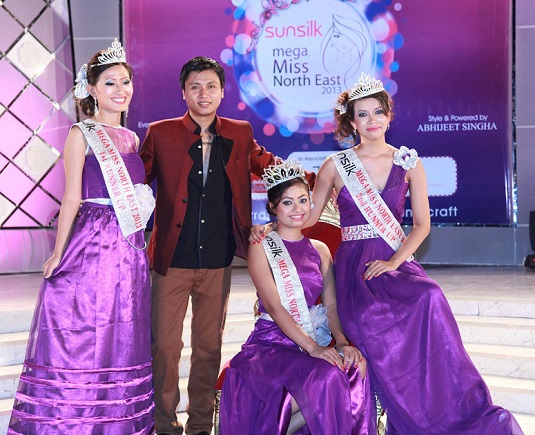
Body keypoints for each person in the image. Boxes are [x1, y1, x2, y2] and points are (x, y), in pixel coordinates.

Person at [251, 73, 524, 434]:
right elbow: (307, 216)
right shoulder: (335, 165)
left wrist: (394, 262)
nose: (372, 120)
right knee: (368, 318)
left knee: (430, 297)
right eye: (362, 114)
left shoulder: (408, 162)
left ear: (389, 115)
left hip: (394, 262)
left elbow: (422, 225)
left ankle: (444, 409)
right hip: (356, 270)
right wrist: (268, 227)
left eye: (378, 112)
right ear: (351, 122)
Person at [140, 56, 314, 435]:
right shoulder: (160, 133)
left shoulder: (239, 132)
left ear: (222, 92)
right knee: (165, 347)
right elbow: (134, 182)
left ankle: (200, 426)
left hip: (218, 259)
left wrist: (324, 179)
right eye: (195, 87)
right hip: (172, 259)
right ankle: (164, 426)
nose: (203, 94)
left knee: (207, 348)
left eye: (211, 86)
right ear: (183, 92)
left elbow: (272, 167)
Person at [8, 39, 155, 434]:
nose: (120, 90)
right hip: (93, 241)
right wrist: (59, 251)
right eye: (110, 83)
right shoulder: (81, 133)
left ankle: (113, 419)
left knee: (122, 329)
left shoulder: (132, 138)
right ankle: (75, 417)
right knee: (88, 326)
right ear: (91, 89)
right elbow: (71, 196)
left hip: (128, 247)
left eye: (125, 81)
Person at [220, 159, 373, 434]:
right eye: (287, 202)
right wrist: (314, 349)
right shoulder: (261, 245)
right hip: (272, 343)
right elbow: (275, 307)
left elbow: (331, 305)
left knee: (356, 365)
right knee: (327, 378)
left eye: (303, 200)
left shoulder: (321, 249)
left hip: (313, 336)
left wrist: (340, 341)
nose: (297, 209)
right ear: (272, 207)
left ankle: (284, 427)